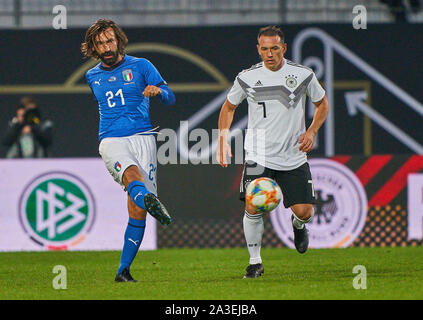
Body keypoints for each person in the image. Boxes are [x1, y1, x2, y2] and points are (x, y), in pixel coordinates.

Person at [217, 26, 329, 278]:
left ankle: (299, 226)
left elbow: (322, 104)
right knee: (253, 205)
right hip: (258, 154)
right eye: (264, 49)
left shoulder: (303, 75)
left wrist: (311, 132)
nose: (269, 54)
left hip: (293, 155)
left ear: (284, 48)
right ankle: (255, 262)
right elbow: (228, 107)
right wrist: (223, 139)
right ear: (258, 49)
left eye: (275, 48)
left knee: (305, 211)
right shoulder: (246, 77)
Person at [81, 19, 176, 282]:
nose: (106, 47)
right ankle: (146, 195)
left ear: (119, 40)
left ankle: (123, 271)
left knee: (137, 211)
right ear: (93, 47)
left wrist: (158, 91)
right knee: (132, 176)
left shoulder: (142, 65)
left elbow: (170, 97)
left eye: (110, 40)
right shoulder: (92, 76)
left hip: (144, 139)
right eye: (100, 43)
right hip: (112, 140)